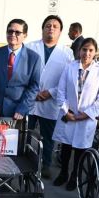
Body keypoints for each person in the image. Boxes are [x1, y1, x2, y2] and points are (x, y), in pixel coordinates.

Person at [52, 38, 99, 191]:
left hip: (86, 118)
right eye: (84, 49)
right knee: (66, 146)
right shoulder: (69, 67)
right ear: (79, 51)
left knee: (79, 149)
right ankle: (63, 173)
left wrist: (86, 114)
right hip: (68, 115)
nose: (87, 53)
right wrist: (66, 111)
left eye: (90, 50)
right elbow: (61, 91)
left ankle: (74, 176)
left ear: (95, 52)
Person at [27, 15, 74, 178]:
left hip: (52, 101)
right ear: (42, 29)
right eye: (48, 25)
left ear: (60, 31)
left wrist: (51, 92)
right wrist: (34, 92)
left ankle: (45, 164)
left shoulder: (67, 53)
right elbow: (24, 72)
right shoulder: (30, 47)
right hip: (30, 99)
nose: (51, 28)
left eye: (55, 26)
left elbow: (68, 79)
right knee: (26, 133)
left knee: (48, 137)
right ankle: (25, 162)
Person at [0, 18, 42, 120]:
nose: (13, 34)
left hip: (17, 113)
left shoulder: (33, 58)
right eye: (10, 31)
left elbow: (34, 87)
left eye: (17, 32)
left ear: (25, 35)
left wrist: (22, 108)